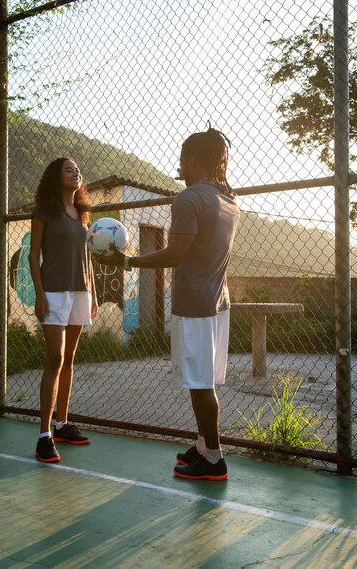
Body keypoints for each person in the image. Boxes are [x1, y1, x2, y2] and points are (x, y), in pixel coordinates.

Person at [97, 124, 240, 480]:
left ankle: (214, 461)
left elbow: (175, 254)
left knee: (200, 385)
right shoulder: (228, 199)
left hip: (194, 303)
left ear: (191, 161)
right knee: (202, 381)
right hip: (218, 301)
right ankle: (204, 446)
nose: (179, 166)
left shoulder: (189, 198)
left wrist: (126, 261)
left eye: (181, 159)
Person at [29, 157, 98, 463]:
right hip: (53, 292)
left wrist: (93, 294)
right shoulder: (44, 211)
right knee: (55, 358)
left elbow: (88, 256)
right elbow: (33, 256)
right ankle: (44, 436)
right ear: (55, 177)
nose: (75, 173)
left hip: (81, 292)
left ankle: (62, 424)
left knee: (69, 359)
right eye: (68, 169)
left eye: (77, 169)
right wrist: (39, 294)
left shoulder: (83, 213)